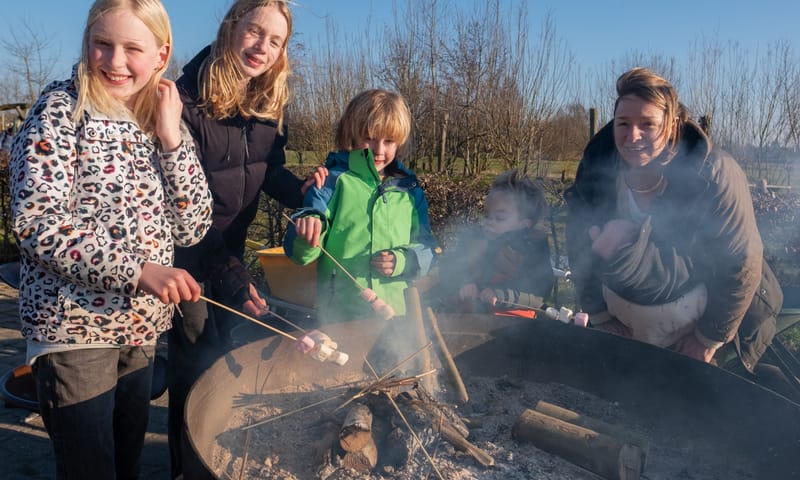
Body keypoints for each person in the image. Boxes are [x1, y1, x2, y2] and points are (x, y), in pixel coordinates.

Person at [8, 1, 213, 478]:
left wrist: (170, 141)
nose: (114, 61)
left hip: (140, 332)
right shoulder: (60, 111)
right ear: (87, 42)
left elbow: (194, 225)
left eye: (132, 48)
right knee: (90, 468)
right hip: (73, 329)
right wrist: (139, 271)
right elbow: (37, 221)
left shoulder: (165, 120)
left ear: (161, 55)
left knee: (126, 463)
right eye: (102, 44)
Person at [167, 1, 325, 477]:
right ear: (232, 27)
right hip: (186, 254)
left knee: (224, 350)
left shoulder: (267, 100)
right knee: (194, 360)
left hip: (227, 249)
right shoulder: (186, 99)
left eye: (274, 40)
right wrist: (235, 279)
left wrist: (298, 189)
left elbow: (264, 170)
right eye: (254, 32)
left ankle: (211, 454)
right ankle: (184, 465)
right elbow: (184, 216)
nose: (262, 47)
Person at [565, 67, 782, 372]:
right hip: (631, 316)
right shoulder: (597, 164)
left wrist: (708, 338)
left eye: (647, 124)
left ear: (671, 126)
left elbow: (742, 261)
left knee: (695, 407)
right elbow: (578, 242)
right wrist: (599, 314)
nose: (632, 136)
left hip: (712, 315)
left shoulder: (713, 174)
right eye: (623, 123)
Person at [284, 88, 437, 323]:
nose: (379, 150)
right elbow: (301, 255)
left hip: (397, 313)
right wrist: (305, 235)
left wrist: (403, 261)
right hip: (342, 314)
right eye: (370, 139)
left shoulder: (410, 190)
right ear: (352, 135)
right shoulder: (331, 182)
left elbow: (427, 247)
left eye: (389, 141)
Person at [430, 169, 554, 317]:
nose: (489, 223)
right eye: (487, 216)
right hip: (468, 321)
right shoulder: (473, 240)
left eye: (500, 218)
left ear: (524, 224)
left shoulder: (532, 248)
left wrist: (503, 294)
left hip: (513, 326)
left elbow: (539, 290)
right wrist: (463, 282)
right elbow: (449, 267)